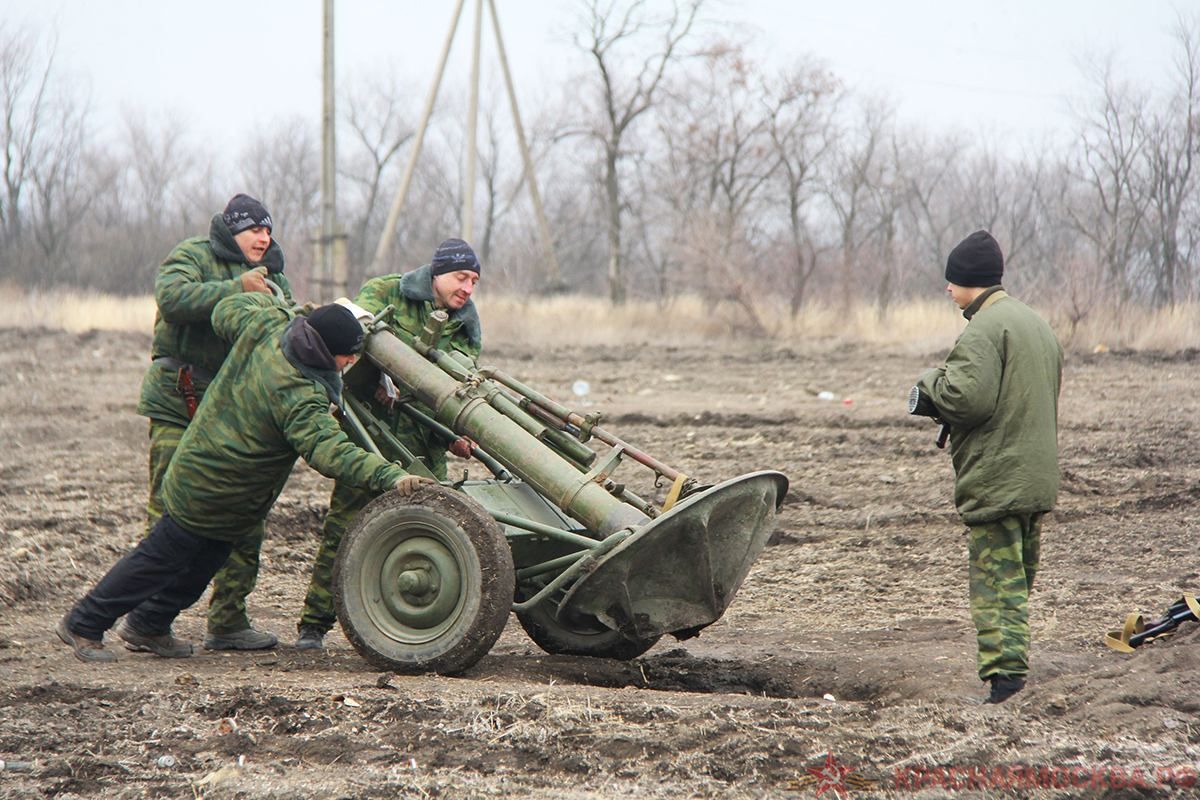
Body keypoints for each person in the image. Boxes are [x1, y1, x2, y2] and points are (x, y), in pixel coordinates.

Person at [57, 293, 426, 663]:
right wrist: (390, 475)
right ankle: (84, 623)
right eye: (348, 354)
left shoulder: (269, 325)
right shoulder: (297, 392)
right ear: (326, 349)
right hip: (210, 485)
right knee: (157, 560)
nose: (351, 362)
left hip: (222, 488)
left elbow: (225, 309)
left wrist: (271, 299)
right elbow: (330, 450)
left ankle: (149, 624)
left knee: (202, 565)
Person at [294, 238, 483, 651]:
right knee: (345, 526)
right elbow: (355, 336)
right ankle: (314, 625)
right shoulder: (387, 292)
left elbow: (460, 385)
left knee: (432, 528)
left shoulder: (466, 325)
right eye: (460, 277)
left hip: (424, 447)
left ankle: (417, 623)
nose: (467, 288)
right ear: (436, 274)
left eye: (474, 280)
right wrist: (383, 379)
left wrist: (454, 436)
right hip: (373, 434)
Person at [136, 193, 292, 652]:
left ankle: (227, 621)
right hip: (178, 400)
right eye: (254, 230)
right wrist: (235, 289)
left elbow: (284, 330)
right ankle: (148, 622)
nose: (263, 238)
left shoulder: (275, 276)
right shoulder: (193, 255)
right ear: (231, 230)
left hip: (233, 410)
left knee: (243, 513)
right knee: (168, 509)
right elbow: (173, 297)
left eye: (268, 230)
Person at [913, 230, 1063, 704]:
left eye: (951, 281)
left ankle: (1006, 681)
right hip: (1034, 474)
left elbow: (966, 399)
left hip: (999, 478)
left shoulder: (984, 328)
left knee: (997, 585)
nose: (947, 289)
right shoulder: (1034, 323)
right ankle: (1012, 672)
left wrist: (929, 384)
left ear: (967, 281)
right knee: (1017, 579)